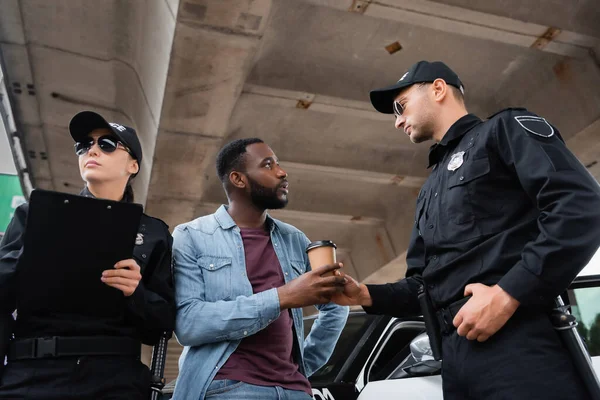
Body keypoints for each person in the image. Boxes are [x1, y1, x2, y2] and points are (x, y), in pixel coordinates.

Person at [332, 61, 600, 399]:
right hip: (456, 364)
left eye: (401, 106)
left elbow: (580, 207)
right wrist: (365, 296)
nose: (397, 120)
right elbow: (423, 286)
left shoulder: (504, 130)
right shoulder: (428, 189)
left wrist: (508, 294)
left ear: (438, 89)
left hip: (519, 343)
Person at [0, 111, 175, 399]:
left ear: (133, 165)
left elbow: (161, 326)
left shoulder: (154, 233)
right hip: (31, 374)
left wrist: (136, 292)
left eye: (106, 144)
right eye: (83, 145)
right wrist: (32, 256)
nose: (92, 150)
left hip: (114, 380)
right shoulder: (35, 215)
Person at [171, 138, 349, 400]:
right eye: (268, 165)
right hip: (228, 387)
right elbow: (189, 324)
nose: (282, 172)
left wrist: (302, 367)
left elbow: (335, 304)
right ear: (238, 179)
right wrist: (282, 297)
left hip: (296, 391)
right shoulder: (191, 236)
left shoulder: (295, 239)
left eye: (278, 164)